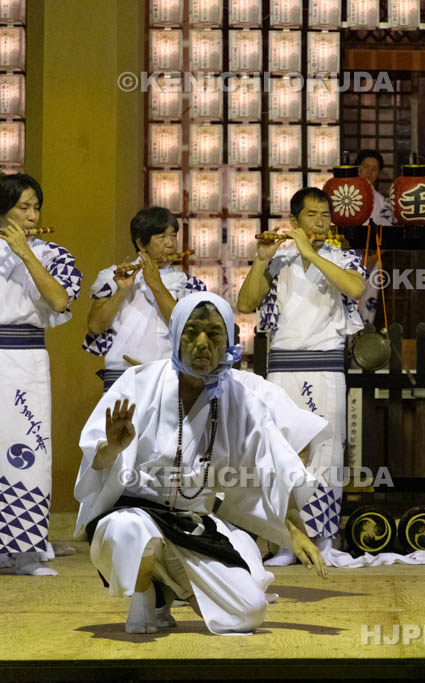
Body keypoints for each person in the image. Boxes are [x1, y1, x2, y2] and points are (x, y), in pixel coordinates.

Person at [74, 293, 328, 635]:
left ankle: (172, 583)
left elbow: (272, 466)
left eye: (213, 333)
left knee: (248, 613)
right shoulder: (139, 383)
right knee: (128, 532)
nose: (202, 344)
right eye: (191, 332)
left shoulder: (240, 397)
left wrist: (295, 532)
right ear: (176, 335)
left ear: (230, 342)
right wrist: (112, 447)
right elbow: (96, 462)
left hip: (192, 524)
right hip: (134, 513)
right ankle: (148, 592)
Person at [237, 188, 366, 567]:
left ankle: (323, 539)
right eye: (312, 215)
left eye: (326, 215)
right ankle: (284, 540)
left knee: (327, 451)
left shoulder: (342, 257)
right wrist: (262, 261)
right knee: (284, 451)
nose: (321, 222)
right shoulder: (278, 259)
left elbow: (356, 289)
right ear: (294, 222)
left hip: (326, 365)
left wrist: (311, 254)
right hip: (282, 365)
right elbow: (245, 304)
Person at [0, 173, 82, 577]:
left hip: (25, 357)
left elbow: (60, 300)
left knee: (28, 450)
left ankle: (28, 549)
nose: (32, 216)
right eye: (23, 208)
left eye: (36, 207)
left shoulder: (53, 254)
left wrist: (25, 254)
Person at [83, 207, 206, 390]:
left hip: (167, 375)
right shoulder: (112, 276)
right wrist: (121, 291)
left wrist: (155, 284)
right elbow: (95, 326)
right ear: (141, 244)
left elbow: (187, 328)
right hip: (120, 375)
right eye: (162, 237)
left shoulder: (189, 284)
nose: (171, 244)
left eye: (173, 236)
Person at [354, 149, 393, 326]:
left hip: (372, 260)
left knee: (367, 308)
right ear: (357, 168)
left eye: (374, 169)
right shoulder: (343, 198)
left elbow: (387, 235)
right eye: (365, 167)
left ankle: (362, 349)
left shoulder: (382, 203)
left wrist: (372, 258)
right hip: (344, 259)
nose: (368, 173)